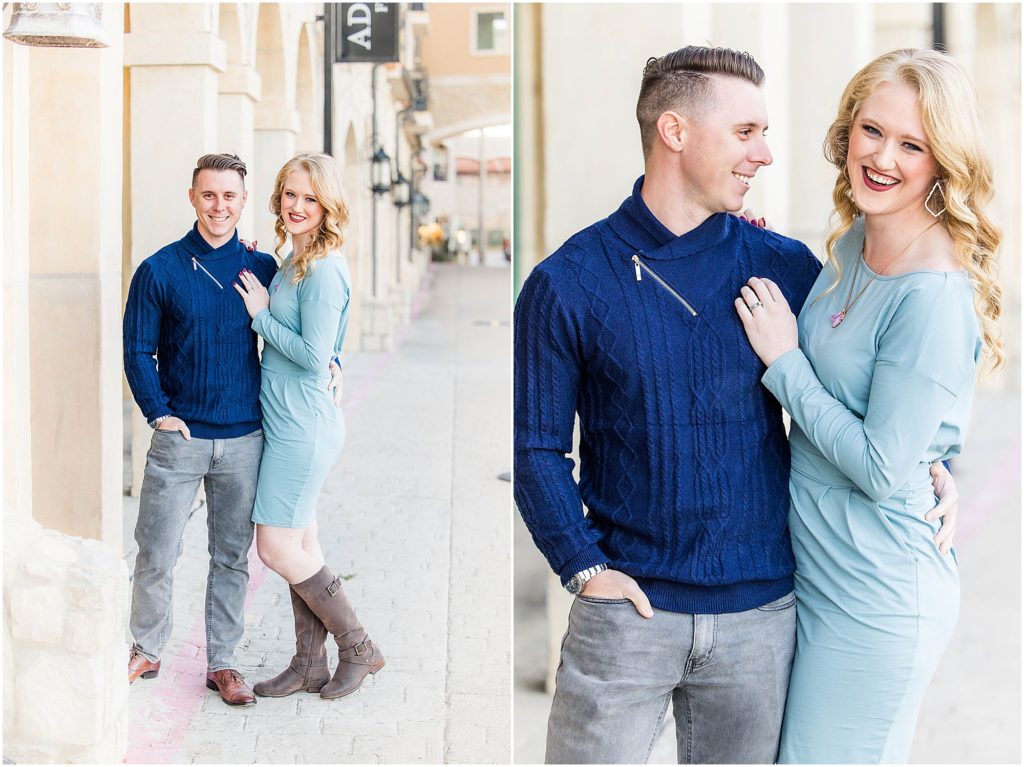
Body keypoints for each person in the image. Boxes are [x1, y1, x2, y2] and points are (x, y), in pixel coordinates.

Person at [514, 45, 960, 764]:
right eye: (747, 132)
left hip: (765, 618)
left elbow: (871, 384)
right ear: (675, 131)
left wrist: (933, 462)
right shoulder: (567, 283)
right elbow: (536, 449)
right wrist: (583, 567)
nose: (767, 154)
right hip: (628, 614)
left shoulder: (787, 267)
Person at [735, 48, 1001, 763]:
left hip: (876, 597)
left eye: (912, 144)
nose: (882, 157)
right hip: (815, 569)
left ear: (943, 160)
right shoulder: (855, 241)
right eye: (871, 130)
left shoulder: (934, 296)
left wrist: (784, 365)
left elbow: (883, 467)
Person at [123, 153, 342, 707]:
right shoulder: (160, 269)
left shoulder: (263, 267)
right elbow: (136, 349)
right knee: (156, 549)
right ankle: (146, 648)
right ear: (193, 198)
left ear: (244, 202)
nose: (219, 206)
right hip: (182, 438)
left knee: (232, 557)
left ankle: (223, 663)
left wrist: (335, 359)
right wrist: (157, 413)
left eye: (230, 196)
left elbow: (308, 327)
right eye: (209, 195)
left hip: (248, 437)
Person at [233, 152, 384, 701]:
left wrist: (259, 314)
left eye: (310, 198)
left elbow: (312, 354)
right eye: (290, 195)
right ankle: (308, 664)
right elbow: (331, 350)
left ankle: (359, 647)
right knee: (303, 547)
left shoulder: (323, 267)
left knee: (274, 548)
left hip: (302, 426)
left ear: (327, 205)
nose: (298, 206)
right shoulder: (293, 261)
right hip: (290, 418)